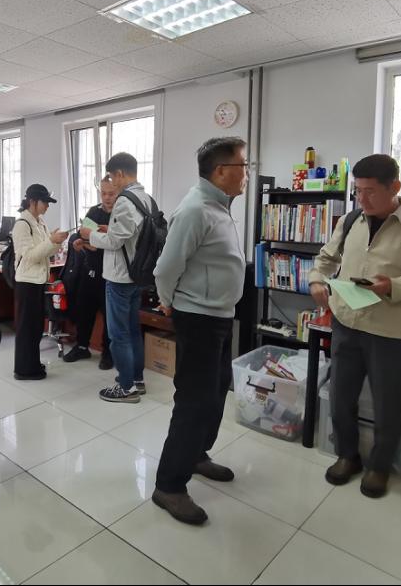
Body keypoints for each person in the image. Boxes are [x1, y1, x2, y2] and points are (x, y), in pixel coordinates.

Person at [308, 154, 401, 498]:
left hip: (391, 332)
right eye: (358, 191)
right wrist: (316, 280)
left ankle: (380, 467)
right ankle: (347, 455)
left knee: (389, 405)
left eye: (370, 191)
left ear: (394, 187)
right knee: (340, 397)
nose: (362, 199)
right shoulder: (350, 220)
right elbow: (326, 258)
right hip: (347, 323)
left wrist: (393, 287)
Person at [151, 137, 249, 525]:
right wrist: (168, 302)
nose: (247, 173)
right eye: (243, 166)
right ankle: (169, 485)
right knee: (194, 401)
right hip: (199, 318)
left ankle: (195, 455)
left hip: (219, 316)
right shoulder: (195, 209)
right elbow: (165, 268)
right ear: (222, 171)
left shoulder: (219, 207)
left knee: (216, 391)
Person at [79, 152, 152, 403]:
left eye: (111, 177)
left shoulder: (124, 200)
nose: (112, 182)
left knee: (118, 334)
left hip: (120, 277)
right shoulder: (146, 199)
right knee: (132, 331)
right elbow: (131, 234)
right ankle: (137, 380)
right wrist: (109, 229)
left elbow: (114, 242)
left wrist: (89, 234)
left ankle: (125, 387)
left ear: (120, 173)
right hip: (138, 275)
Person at [11, 184, 68, 380]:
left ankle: (33, 363)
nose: (47, 206)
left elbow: (46, 251)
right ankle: (24, 370)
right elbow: (30, 256)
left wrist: (57, 242)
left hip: (38, 281)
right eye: (45, 202)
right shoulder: (22, 224)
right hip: (27, 282)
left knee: (35, 327)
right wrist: (51, 241)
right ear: (33, 201)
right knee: (26, 328)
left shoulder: (40, 222)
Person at [64, 177, 117, 368]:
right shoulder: (94, 212)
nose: (107, 197)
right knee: (84, 310)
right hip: (90, 270)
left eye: (111, 194)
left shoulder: (120, 216)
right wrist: (81, 243)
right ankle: (82, 346)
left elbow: (115, 243)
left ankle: (108, 353)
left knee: (109, 316)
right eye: (103, 193)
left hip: (110, 274)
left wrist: (94, 242)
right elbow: (84, 236)